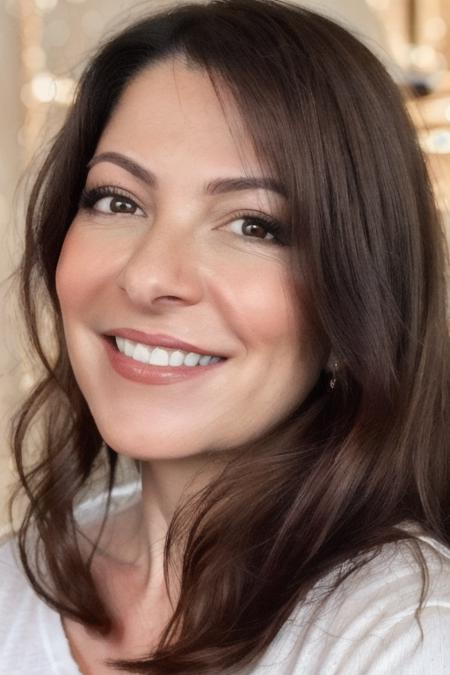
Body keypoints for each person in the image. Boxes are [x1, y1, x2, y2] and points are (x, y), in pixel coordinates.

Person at [1, 0, 450, 672]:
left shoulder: (411, 633)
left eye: (253, 225)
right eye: (117, 200)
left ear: (354, 305)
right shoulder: (13, 582)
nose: (150, 276)